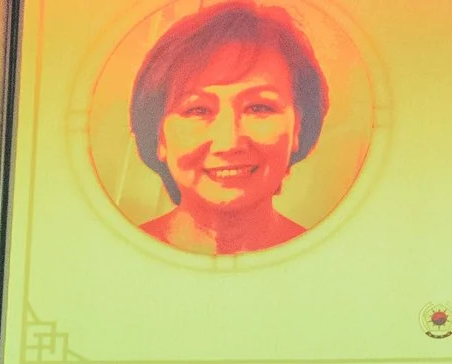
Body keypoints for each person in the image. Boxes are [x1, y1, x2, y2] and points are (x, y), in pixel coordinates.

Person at [129, 2, 328, 255]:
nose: (228, 142)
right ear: (159, 137)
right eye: (198, 110)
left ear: (299, 127)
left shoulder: (333, 263)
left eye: (259, 108)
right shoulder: (110, 259)